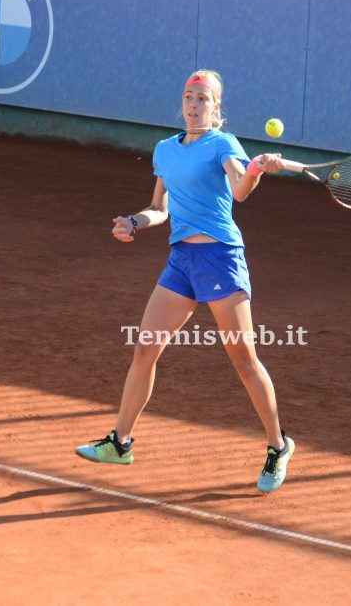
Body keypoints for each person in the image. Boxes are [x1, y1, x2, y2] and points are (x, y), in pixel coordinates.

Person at [75, 70, 296, 494]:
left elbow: (239, 191)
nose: (194, 105)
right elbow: (160, 207)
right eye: (189, 97)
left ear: (216, 108)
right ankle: (120, 442)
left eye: (203, 99)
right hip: (181, 262)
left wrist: (255, 170)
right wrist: (134, 222)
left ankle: (277, 444)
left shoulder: (223, 144)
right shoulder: (165, 149)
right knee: (145, 349)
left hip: (219, 259)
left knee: (243, 361)